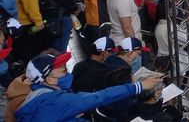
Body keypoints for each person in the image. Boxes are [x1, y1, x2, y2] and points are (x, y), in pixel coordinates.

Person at [13, 52, 164, 122]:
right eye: (63, 70)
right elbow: (99, 97)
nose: (67, 72)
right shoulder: (55, 100)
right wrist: (138, 87)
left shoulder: (38, 94)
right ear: (51, 79)